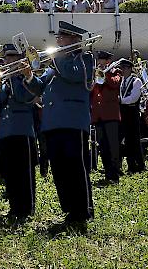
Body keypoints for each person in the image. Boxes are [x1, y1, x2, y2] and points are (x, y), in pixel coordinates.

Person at [24, 21, 95, 223]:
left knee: (76, 166)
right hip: (52, 122)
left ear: (74, 40)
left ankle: (83, 209)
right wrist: (29, 76)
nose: (58, 41)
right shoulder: (55, 65)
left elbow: (75, 75)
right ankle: (70, 209)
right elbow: (39, 88)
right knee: (59, 168)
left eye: (62, 38)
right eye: (58, 38)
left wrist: (56, 58)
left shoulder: (84, 59)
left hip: (73, 121)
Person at [0, 44, 38, 219]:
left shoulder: (24, 80)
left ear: (19, 60)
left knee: (24, 172)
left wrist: (11, 78)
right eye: (6, 59)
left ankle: (27, 208)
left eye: (11, 58)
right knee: (10, 172)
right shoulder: (4, 82)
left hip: (22, 129)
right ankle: (14, 207)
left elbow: (22, 97)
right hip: (6, 130)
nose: (7, 62)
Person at [90, 51, 122, 183]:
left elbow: (115, 84)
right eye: (99, 60)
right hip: (98, 117)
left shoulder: (115, 72)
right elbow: (92, 92)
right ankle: (108, 173)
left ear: (108, 61)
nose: (100, 63)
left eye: (103, 60)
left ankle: (114, 175)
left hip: (111, 115)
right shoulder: (96, 75)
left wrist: (106, 72)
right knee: (103, 147)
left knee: (113, 146)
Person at [119, 58, 146, 173]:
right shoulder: (121, 82)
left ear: (130, 69)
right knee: (124, 140)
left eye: (125, 68)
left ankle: (138, 165)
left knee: (134, 140)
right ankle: (130, 165)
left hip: (132, 112)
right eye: (122, 68)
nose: (123, 70)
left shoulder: (136, 81)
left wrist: (121, 100)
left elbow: (134, 98)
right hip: (123, 113)